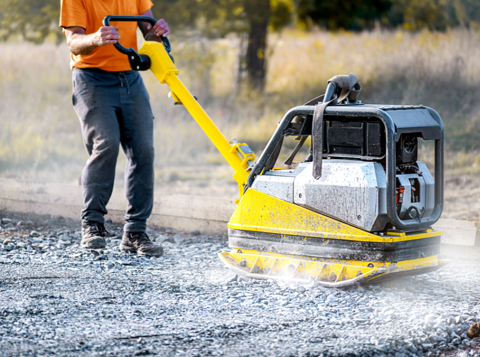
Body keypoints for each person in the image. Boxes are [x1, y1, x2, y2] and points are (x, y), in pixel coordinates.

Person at [60, 0, 168, 257]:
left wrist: (157, 32)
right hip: (91, 78)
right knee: (106, 143)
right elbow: (73, 41)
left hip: (130, 77)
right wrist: (95, 38)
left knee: (143, 149)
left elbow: (147, 29)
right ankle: (93, 224)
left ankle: (135, 231)